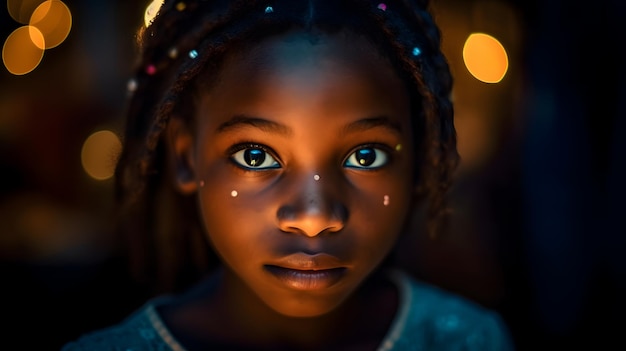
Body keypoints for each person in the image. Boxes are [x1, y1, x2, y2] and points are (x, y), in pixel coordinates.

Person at [61, 0, 515, 349]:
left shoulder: (467, 340)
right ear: (186, 158)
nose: (315, 217)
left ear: (415, 161)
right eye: (256, 156)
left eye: (366, 156)